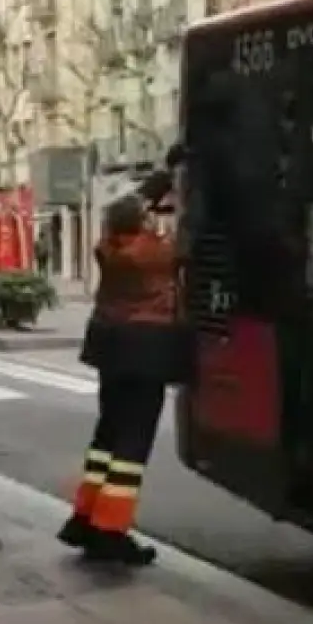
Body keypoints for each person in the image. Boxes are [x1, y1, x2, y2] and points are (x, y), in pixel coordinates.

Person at [57, 183, 185, 567]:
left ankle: (85, 517)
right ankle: (110, 531)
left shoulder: (106, 247)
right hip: (144, 350)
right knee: (132, 446)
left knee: (108, 436)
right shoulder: (153, 254)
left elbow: (129, 211)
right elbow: (187, 247)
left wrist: (157, 182)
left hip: (110, 349)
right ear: (141, 221)